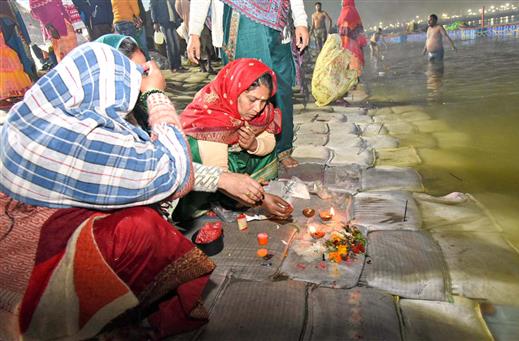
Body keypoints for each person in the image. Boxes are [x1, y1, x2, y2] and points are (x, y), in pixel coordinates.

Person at [0, 43, 265, 339]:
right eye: (135, 74)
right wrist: (156, 96)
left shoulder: (39, 111)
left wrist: (225, 177)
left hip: (30, 221)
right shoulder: (89, 134)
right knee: (143, 228)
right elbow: (168, 172)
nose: (141, 83)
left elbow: (134, 165)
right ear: (109, 79)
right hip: (32, 254)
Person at [186, 0, 309, 169]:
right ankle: (250, 157)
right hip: (241, 17)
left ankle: (282, 148)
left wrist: (300, 21)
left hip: (277, 22)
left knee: (281, 90)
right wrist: (194, 33)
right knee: (251, 88)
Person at [173, 58, 293, 222]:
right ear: (235, 90)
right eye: (252, 100)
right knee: (225, 171)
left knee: (266, 152)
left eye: (263, 101)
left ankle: (244, 191)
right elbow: (219, 174)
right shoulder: (210, 115)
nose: (258, 109)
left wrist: (254, 145)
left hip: (234, 155)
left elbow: (269, 141)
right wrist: (261, 199)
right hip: (210, 167)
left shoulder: (260, 110)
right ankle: (218, 199)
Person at [311, 34, 359, 107]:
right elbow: (349, 59)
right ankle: (337, 97)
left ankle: (335, 97)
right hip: (328, 91)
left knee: (336, 75)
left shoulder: (323, 54)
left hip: (318, 93)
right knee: (352, 75)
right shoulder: (337, 53)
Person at [0, 0, 37, 81]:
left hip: (13, 26)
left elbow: (16, 12)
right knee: (16, 55)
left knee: (24, 52)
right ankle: (29, 76)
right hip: (6, 31)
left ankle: (31, 75)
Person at [150, 0, 182, 72]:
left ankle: (179, 65)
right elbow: (152, 8)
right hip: (163, 23)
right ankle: (173, 67)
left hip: (173, 22)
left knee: (177, 44)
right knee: (170, 45)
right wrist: (155, 22)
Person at [0, 31, 32, 101]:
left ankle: (13, 91)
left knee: (11, 70)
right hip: (5, 52)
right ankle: (10, 92)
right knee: (8, 71)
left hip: (5, 51)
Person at [338, 0, 367, 74]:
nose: (341, 3)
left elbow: (343, 25)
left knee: (350, 61)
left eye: (342, 1)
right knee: (356, 60)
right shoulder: (354, 11)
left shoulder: (346, 11)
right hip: (355, 42)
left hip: (348, 42)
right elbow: (359, 29)